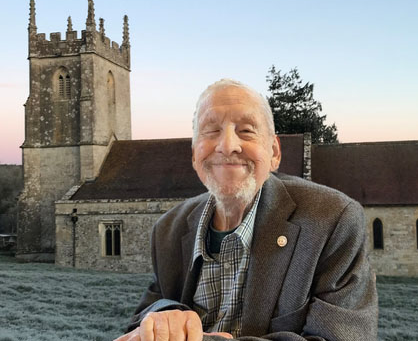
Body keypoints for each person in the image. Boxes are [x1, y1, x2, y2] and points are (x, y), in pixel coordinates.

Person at [115, 79, 378, 341]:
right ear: (195, 153)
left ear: (274, 152)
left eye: (246, 130)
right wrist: (165, 316)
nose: (227, 145)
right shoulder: (168, 229)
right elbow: (145, 316)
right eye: (211, 130)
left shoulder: (332, 220)